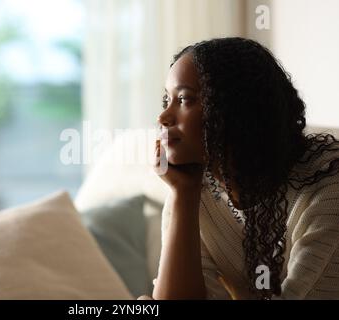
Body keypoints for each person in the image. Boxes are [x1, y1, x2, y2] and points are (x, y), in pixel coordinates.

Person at [140, 37, 339, 300]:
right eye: (167, 100)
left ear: (233, 108)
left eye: (185, 99)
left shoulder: (328, 185)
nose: (163, 117)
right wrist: (183, 194)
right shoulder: (195, 186)